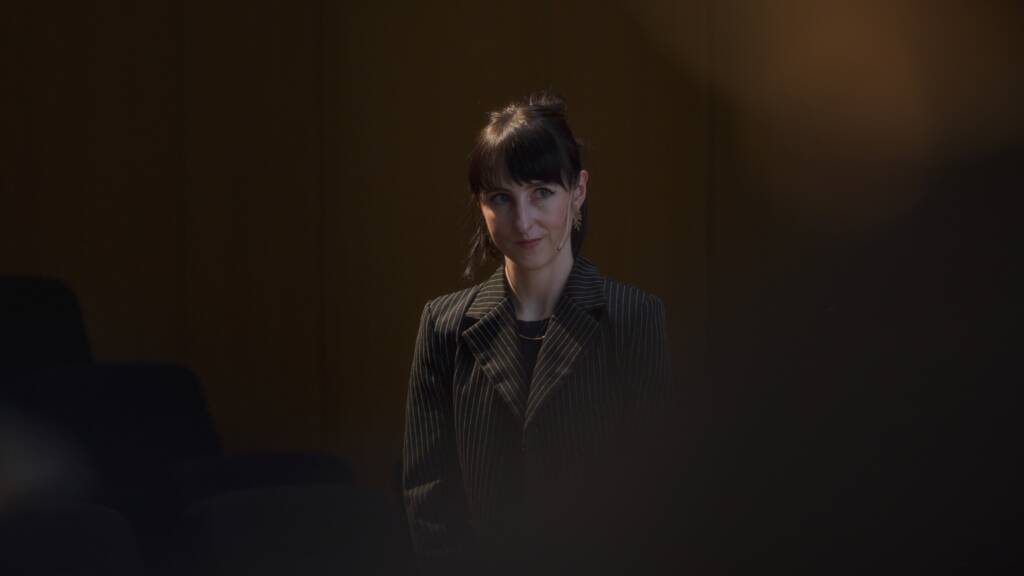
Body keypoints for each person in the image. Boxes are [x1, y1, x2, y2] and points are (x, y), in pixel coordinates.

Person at [402, 92, 673, 576]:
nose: (522, 221)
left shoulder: (634, 317)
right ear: (480, 204)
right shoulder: (443, 325)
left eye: (541, 193)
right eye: (501, 198)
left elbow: (652, 493)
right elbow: (430, 495)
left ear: (578, 190)